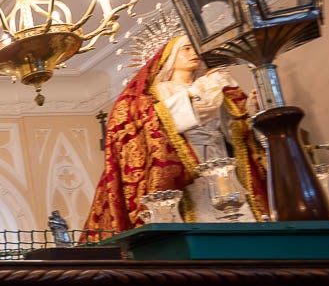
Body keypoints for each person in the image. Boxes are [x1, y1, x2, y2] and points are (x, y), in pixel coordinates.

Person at [83, 34, 268, 236]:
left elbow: (233, 132)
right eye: (186, 49)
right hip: (189, 164)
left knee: (238, 215)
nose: (193, 53)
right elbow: (153, 124)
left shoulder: (214, 87)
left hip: (220, 158)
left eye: (195, 48)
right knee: (200, 215)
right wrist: (194, 93)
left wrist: (250, 110)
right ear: (169, 58)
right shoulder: (161, 91)